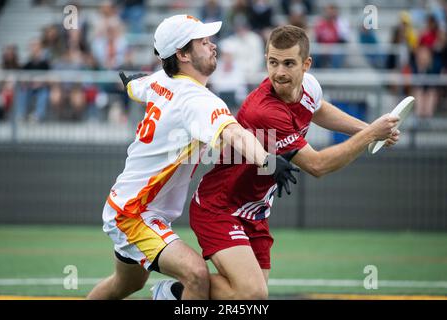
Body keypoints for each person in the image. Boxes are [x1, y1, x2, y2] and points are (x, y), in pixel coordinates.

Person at [154, 25, 401, 300]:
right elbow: (318, 166)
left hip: (255, 210)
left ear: (306, 65)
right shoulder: (264, 111)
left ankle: (178, 293)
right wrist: (370, 135)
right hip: (220, 206)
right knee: (251, 293)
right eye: (273, 62)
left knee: (252, 296)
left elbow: (318, 108)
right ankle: (173, 294)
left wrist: (365, 128)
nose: (279, 72)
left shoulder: (309, 87)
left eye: (288, 63)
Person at [86, 15, 297, 300]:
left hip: (129, 205)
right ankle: (168, 295)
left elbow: (138, 86)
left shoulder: (162, 78)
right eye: (203, 42)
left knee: (124, 285)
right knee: (196, 274)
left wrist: (129, 85)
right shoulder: (197, 100)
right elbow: (234, 133)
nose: (213, 46)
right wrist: (268, 161)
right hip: (134, 214)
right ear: (182, 54)